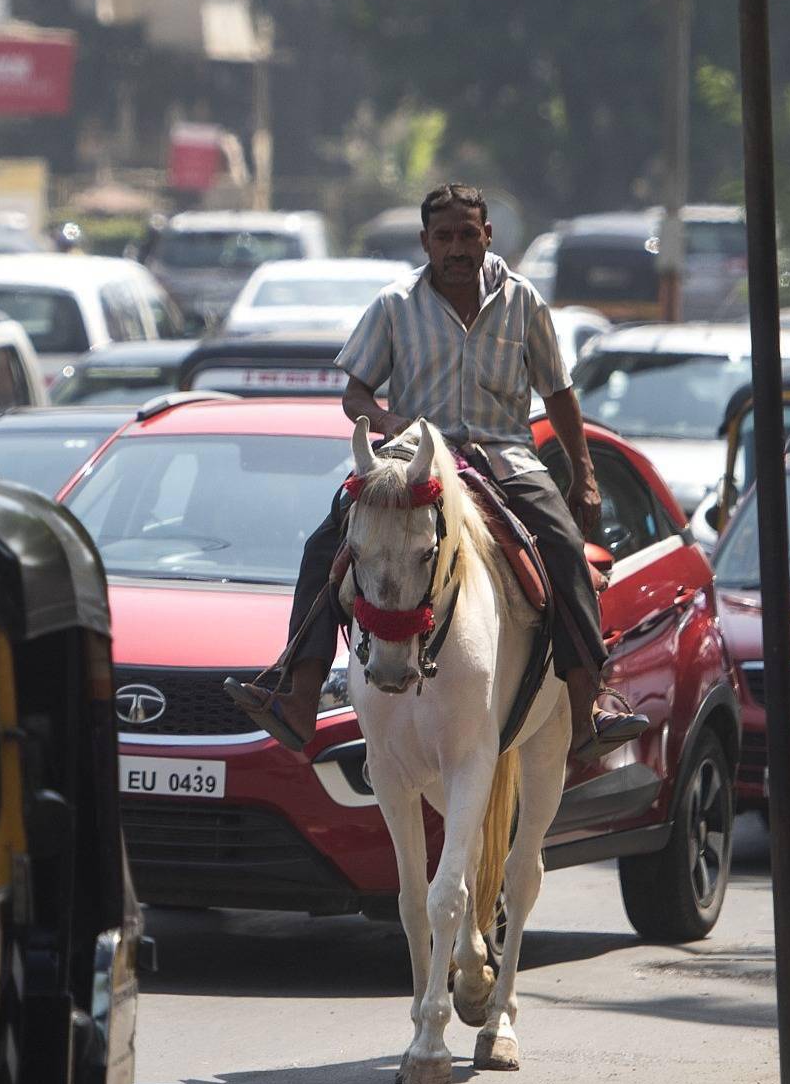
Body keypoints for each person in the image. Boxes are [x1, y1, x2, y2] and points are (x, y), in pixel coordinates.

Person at [228, 183, 650, 759]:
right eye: (444, 237)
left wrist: (585, 475)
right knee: (326, 543)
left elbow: (559, 392)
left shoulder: (524, 301)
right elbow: (354, 393)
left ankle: (588, 706)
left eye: (468, 234)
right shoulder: (394, 305)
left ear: (487, 235)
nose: (457, 247)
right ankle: (297, 691)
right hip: (415, 459)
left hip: (504, 458)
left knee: (562, 548)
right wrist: (385, 417)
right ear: (426, 242)